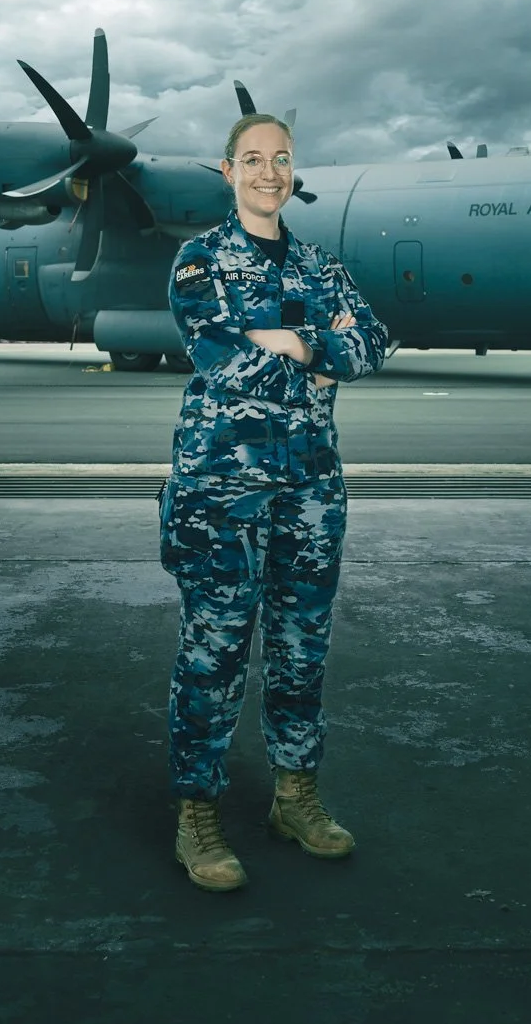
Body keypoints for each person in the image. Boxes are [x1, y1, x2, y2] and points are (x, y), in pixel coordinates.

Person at [159, 112, 389, 892]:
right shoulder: (200, 264)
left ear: (293, 171)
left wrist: (293, 341)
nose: (268, 171)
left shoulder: (322, 265)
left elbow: (374, 342)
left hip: (310, 488)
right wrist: (318, 356)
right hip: (219, 487)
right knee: (215, 648)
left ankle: (296, 798)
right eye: (252, 159)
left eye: (281, 159)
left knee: (301, 648)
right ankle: (198, 813)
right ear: (228, 172)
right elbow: (223, 360)